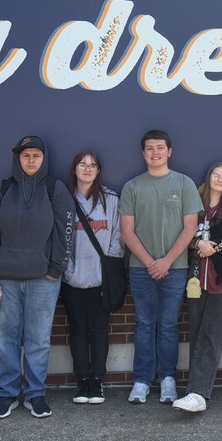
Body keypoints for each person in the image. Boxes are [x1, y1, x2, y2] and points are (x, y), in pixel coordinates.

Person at [0, 135, 75, 419]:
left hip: (43, 279)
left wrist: (55, 269)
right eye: (25, 155)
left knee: (39, 339)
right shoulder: (1, 190)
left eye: (36, 155)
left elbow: (65, 232)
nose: (31, 160)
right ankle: (6, 394)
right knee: (5, 338)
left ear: (44, 159)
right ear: (17, 158)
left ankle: (35, 394)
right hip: (5, 278)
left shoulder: (54, 189)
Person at [120, 129, 201, 404]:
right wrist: (150, 262)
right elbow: (127, 232)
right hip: (140, 269)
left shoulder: (184, 184)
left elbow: (190, 228)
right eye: (150, 148)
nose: (155, 153)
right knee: (144, 324)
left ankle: (167, 380)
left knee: (168, 325)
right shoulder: (132, 187)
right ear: (143, 153)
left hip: (175, 269)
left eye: (160, 148)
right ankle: (142, 380)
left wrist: (166, 261)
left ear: (170, 151)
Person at [173, 163, 222, 413]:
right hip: (195, 278)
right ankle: (195, 389)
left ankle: (199, 393)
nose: (220, 179)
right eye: (216, 175)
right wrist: (196, 245)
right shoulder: (195, 203)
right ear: (209, 177)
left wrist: (216, 247)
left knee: (211, 334)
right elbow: (185, 235)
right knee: (196, 332)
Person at [62, 150, 123, 405]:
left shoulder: (110, 199)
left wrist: (104, 269)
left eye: (93, 165)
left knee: (98, 331)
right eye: (82, 164)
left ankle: (97, 381)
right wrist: (68, 270)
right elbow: (57, 238)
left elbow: (118, 237)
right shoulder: (63, 199)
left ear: (98, 171)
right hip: (72, 279)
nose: (87, 169)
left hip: (101, 279)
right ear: (74, 169)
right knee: (77, 331)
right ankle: (82, 381)